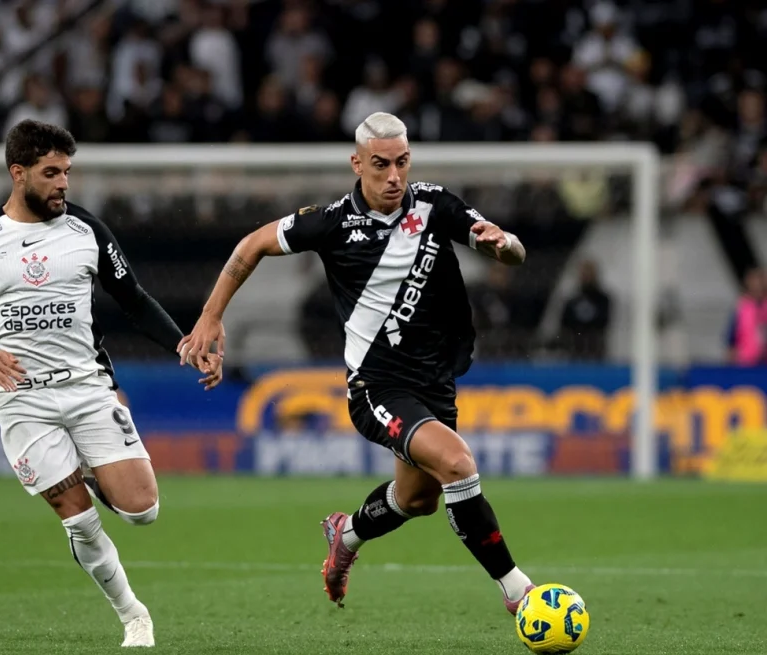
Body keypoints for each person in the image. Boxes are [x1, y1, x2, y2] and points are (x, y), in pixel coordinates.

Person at [178, 112, 535, 613]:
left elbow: (506, 249)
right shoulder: (330, 223)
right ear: (357, 163)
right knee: (458, 464)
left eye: (402, 163)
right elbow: (252, 244)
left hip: (435, 380)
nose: (394, 176)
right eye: (380, 165)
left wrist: (507, 247)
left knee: (417, 500)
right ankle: (519, 591)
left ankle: (345, 536)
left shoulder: (433, 204)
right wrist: (211, 316)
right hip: (377, 386)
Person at [0, 119, 220, 648]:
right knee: (79, 520)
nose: (63, 183)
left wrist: (186, 345)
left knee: (143, 510)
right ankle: (134, 615)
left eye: (67, 172)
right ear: (17, 173)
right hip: (21, 398)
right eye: (51, 173)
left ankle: (86, 470)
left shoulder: (86, 231)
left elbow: (134, 300)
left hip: (87, 386)